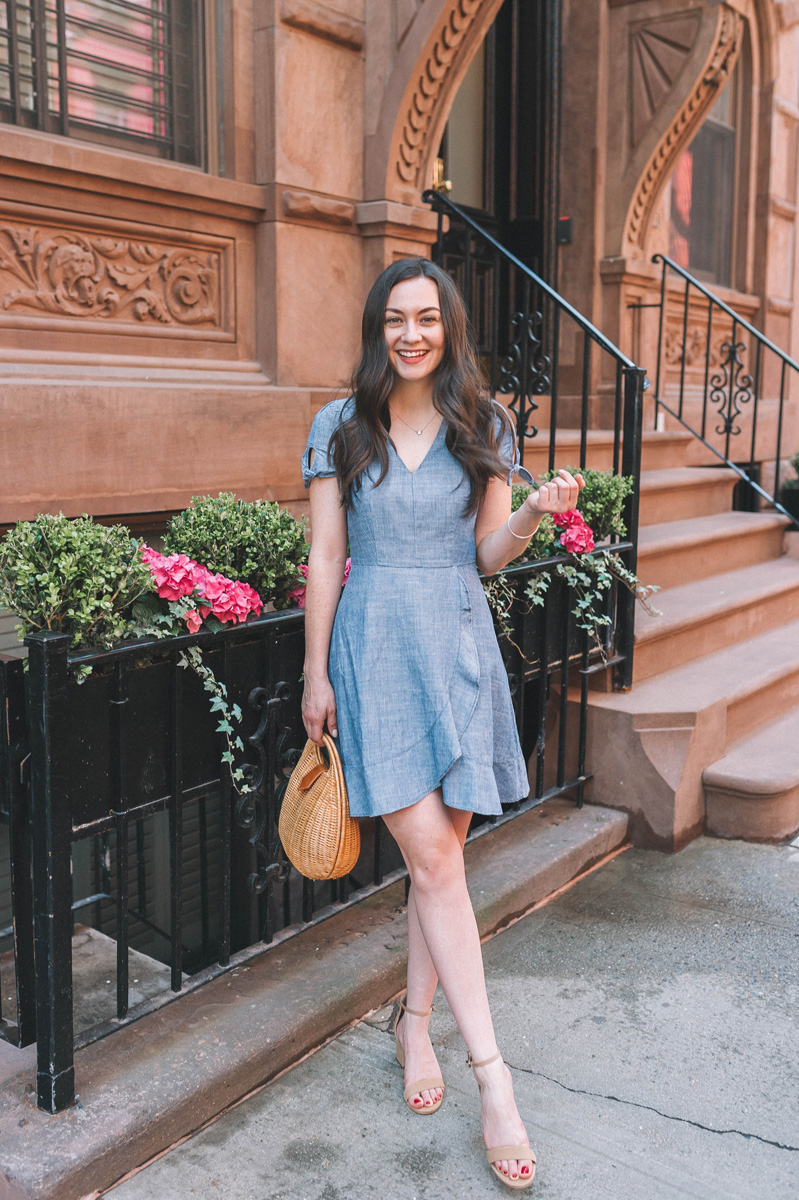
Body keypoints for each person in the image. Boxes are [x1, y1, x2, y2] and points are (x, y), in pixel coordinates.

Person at [300, 256, 583, 1190]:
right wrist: (313, 672)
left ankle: (412, 1024)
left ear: (448, 328)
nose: (411, 333)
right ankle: (492, 1079)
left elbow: (489, 555)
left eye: (426, 318)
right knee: (434, 861)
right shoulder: (338, 427)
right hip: (375, 646)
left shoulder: (484, 423)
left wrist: (534, 513)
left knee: (441, 863)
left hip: (460, 648)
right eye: (394, 319)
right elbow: (326, 557)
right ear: (378, 329)